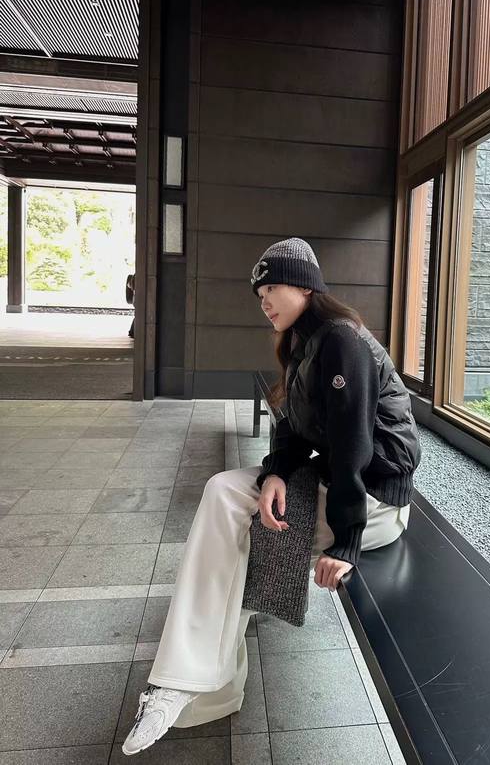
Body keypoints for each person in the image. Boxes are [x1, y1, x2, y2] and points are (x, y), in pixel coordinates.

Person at [122, 237, 422, 756]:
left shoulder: (342, 341)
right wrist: (277, 473)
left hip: (374, 501)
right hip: (335, 481)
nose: (264, 302)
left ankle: (194, 687)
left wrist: (345, 544)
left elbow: (354, 447)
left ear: (305, 286)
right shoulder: (303, 343)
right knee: (224, 492)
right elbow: (293, 427)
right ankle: (188, 683)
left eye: (272, 288)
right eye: (259, 294)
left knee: (239, 537)